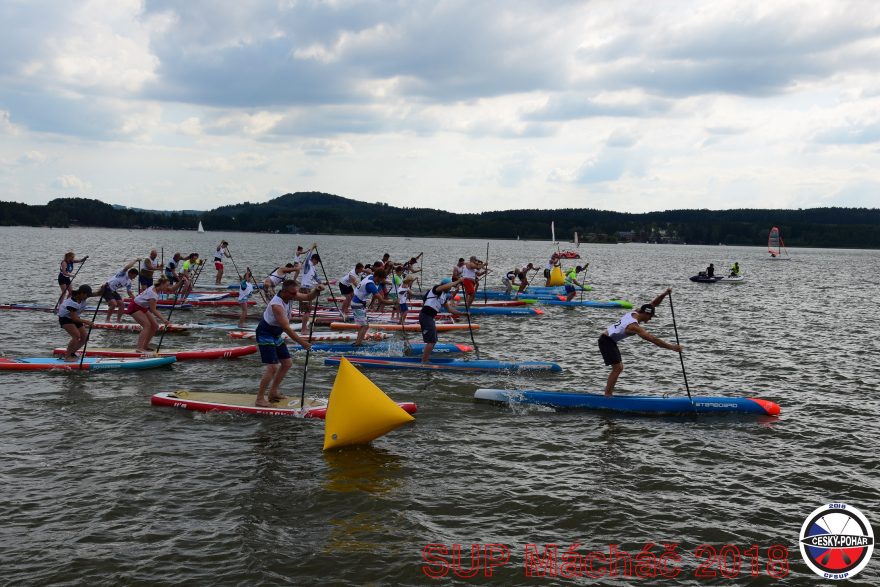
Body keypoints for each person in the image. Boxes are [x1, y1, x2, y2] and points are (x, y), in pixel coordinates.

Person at [598, 288, 682, 396]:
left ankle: (608, 394)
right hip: (606, 341)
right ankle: (608, 395)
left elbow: (652, 304)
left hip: (610, 340)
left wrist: (664, 294)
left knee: (619, 368)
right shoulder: (634, 326)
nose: (651, 319)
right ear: (646, 314)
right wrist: (672, 347)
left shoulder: (636, 311)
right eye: (651, 316)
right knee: (618, 368)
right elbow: (653, 340)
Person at [255, 280, 321, 407]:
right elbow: (287, 329)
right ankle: (259, 399)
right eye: (293, 293)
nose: (295, 295)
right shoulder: (277, 306)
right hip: (265, 333)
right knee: (273, 367)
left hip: (276, 334)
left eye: (296, 292)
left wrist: (316, 290)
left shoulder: (290, 294)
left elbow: (308, 297)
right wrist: (303, 343)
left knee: (287, 363)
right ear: (284, 291)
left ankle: (273, 392)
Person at [126, 276, 182, 353]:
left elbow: (172, 289)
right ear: (161, 284)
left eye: (168, 285)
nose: (168, 287)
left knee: (155, 326)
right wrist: (164, 320)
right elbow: (153, 310)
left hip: (142, 307)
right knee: (147, 326)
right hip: (134, 306)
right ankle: (139, 348)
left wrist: (181, 282)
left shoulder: (157, 287)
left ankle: (145, 346)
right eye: (166, 285)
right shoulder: (153, 294)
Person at [418, 279, 466, 362]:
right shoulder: (436, 289)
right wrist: (457, 281)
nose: (450, 289)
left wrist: (462, 313)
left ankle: (425, 359)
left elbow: (449, 309)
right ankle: (424, 361)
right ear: (444, 285)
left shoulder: (443, 296)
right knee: (431, 341)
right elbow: (444, 287)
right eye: (449, 287)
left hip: (430, 317)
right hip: (425, 316)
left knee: (434, 340)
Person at [351, 268, 395, 346]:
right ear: (378, 277)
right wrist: (394, 302)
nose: (381, 281)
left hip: (358, 302)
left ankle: (358, 342)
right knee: (365, 326)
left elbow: (379, 273)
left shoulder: (371, 276)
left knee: (363, 325)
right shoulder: (371, 285)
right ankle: (357, 344)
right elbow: (382, 301)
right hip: (357, 304)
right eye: (381, 280)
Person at [57, 284, 95, 362]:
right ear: (81, 293)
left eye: (88, 296)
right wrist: (87, 322)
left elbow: (97, 293)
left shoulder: (82, 296)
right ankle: (67, 357)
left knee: (85, 337)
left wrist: (105, 289)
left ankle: (71, 353)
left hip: (74, 317)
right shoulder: (72, 303)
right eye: (86, 296)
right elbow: (74, 318)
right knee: (76, 336)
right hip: (65, 319)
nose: (87, 297)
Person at [298, 253, 324, 333]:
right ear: (314, 259)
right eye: (317, 261)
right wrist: (312, 248)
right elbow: (307, 259)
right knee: (307, 311)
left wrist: (321, 283)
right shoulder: (308, 264)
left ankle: (304, 327)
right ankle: (303, 329)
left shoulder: (313, 268)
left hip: (309, 289)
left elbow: (316, 278)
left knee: (309, 310)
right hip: (304, 289)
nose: (317, 263)